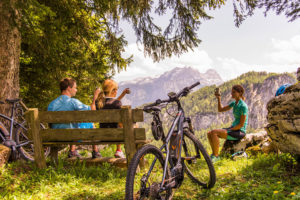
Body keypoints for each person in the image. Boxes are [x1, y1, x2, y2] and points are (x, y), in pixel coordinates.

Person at [48, 78, 101, 158]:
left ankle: (73, 151)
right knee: (90, 124)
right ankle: (95, 152)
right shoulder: (73, 102)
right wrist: (95, 97)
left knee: (74, 125)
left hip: (55, 136)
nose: (76, 90)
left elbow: (50, 124)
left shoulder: (52, 104)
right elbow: (92, 110)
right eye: (75, 88)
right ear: (69, 88)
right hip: (71, 135)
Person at [207, 85, 248, 162]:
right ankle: (214, 155)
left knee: (214, 133)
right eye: (231, 92)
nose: (231, 94)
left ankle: (216, 157)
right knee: (209, 133)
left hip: (239, 131)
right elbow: (220, 109)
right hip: (234, 129)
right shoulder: (234, 103)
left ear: (240, 93)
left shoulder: (243, 106)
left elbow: (241, 125)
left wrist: (230, 129)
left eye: (234, 92)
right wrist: (219, 99)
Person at [92, 79, 130, 158]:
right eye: (116, 90)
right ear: (113, 91)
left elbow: (110, 103)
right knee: (123, 125)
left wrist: (122, 94)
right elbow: (114, 104)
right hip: (116, 136)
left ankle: (119, 151)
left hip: (102, 136)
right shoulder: (117, 103)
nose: (117, 92)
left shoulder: (98, 103)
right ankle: (118, 150)